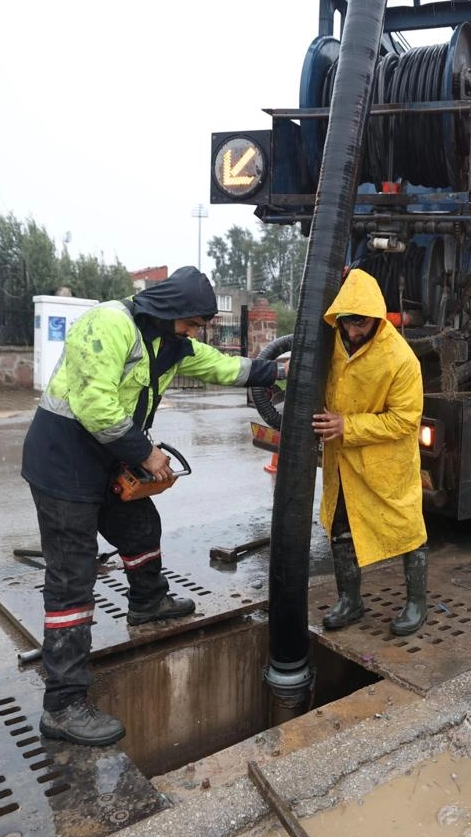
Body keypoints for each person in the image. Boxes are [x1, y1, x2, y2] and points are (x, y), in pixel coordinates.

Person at [22, 265, 286, 747]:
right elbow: (95, 403)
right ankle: (62, 705)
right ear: (171, 311)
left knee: (141, 526)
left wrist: (279, 372)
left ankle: (148, 603)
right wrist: (145, 453)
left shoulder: (171, 343)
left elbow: (223, 366)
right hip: (64, 461)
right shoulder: (108, 324)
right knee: (71, 578)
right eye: (192, 323)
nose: (195, 333)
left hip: (108, 458)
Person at [311, 269, 428, 637]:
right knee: (341, 527)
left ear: (376, 318)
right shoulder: (331, 342)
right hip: (342, 462)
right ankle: (351, 601)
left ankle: (416, 604)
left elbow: (405, 420)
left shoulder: (401, 360)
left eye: (360, 324)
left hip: (385, 465)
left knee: (408, 530)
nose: (353, 332)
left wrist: (349, 426)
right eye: (347, 324)